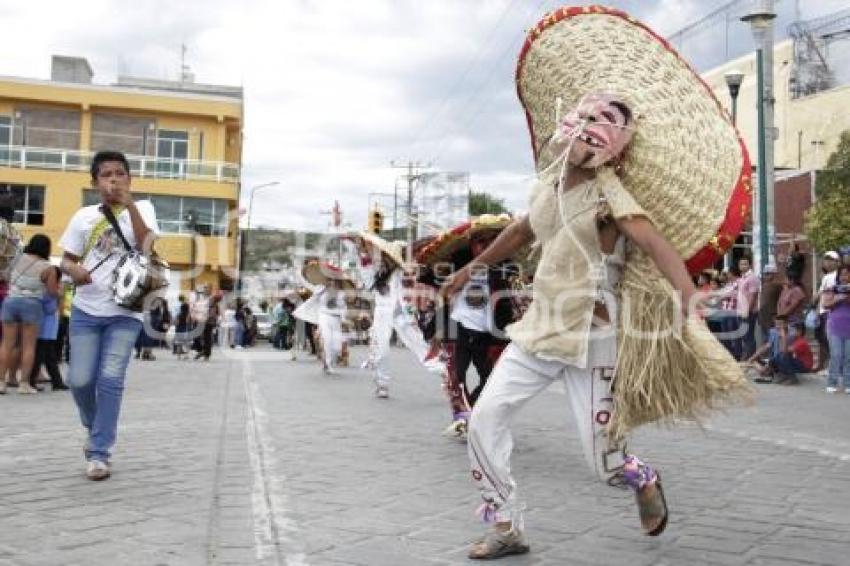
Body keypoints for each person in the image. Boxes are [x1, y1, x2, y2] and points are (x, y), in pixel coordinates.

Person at [441, 8, 752, 559]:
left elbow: (654, 244)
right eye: (582, 121)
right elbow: (518, 232)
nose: (582, 135)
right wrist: (469, 268)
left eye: (598, 127)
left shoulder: (611, 198)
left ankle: (640, 476)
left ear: (613, 145)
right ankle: (507, 526)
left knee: (602, 462)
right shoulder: (546, 185)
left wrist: (690, 306)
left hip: (594, 340)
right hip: (538, 333)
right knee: (484, 420)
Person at [59, 150, 159, 481]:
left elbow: (147, 246)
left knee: (111, 379)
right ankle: (93, 426)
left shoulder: (143, 210)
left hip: (125, 311)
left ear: (130, 179)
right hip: (86, 309)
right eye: (106, 174)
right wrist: (74, 270)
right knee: (80, 380)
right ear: (95, 182)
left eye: (120, 173)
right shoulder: (83, 216)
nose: (113, 179)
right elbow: (66, 260)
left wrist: (129, 203)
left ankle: (100, 451)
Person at [358, 234, 441, 398]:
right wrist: (364, 255)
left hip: (402, 314)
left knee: (421, 347)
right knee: (381, 350)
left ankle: (445, 373)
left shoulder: (403, 270)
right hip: (382, 313)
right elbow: (367, 283)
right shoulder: (375, 271)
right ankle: (382, 384)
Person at [0, 234, 60, 395]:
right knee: (28, 346)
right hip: (32, 305)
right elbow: (52, 292)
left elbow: (5, 276)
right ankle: (24, 383)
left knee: (7, 344)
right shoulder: (48, 267)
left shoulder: (17, 258)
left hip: (10, 301)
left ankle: (1, 382)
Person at [28, 266, 67, 391]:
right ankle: (33, 381)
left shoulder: (44, 290)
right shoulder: (50, 292)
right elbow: (51, 309)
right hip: (45, 328)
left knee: (47, 355)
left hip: (46, 328)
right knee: (42, 355)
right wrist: (59, 296)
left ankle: (56, 381)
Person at [745, 316, 812, 384]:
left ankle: (789, 376)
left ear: (786, 324)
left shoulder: (794, 337)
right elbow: (766, 346)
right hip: (779, 360)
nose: (777, 326)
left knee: (781, 356)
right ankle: (759, 366)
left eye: (780, 324)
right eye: (776, 324)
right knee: (766, 366)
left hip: (786, 361)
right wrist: (751, 358)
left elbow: (784, 351)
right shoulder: (774, 332)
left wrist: (783, 336)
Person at [822, 265, 850, 393]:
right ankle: (832, 382)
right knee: (836, 355)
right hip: (835, 326)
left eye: (847, 274)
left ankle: (848, 383)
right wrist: (837, 299)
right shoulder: (832, 289)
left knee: (848, 356)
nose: (844, 277)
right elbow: (825, 304)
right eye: (842, 274)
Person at [812, 251, 840, 371]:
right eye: (826, 260)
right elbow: (820, 295)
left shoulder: (838, 276)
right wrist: (818, 311)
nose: (828, 263)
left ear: (837, 262)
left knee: (831, 340)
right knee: (821, 339)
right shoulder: (826, 277)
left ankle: (835, 366)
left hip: (831, 312)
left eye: (831, 260)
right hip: (823, 312)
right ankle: (827, 364)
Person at [736, 257, 760, 360]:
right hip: (740, 311)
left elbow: (753, 296)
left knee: (748, 336)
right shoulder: (742, 278)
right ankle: (749, 358)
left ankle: (750, 358)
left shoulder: (752, 278)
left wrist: (748, 311)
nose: (743, 266)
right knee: (744, 336)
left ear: (750, 265)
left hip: (748, 312)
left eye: (745, 264)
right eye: (741, 264)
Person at [757, 264, 783, 346]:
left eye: (768, 274)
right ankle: (766, 356)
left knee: (771, 336)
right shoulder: (764, 285)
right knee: (764, 337)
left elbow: (780, 300)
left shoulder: (778, 285)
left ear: (773, 274)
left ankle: (771, 355)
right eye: (765, 274)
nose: (765, 276)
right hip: (763, 314)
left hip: (772, 314)